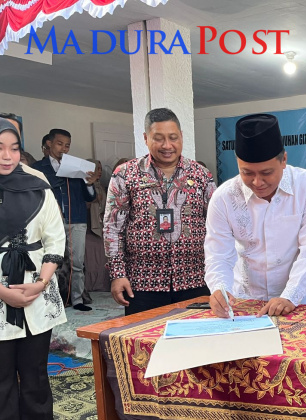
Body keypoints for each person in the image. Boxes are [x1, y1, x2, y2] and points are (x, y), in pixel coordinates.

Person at [205, 114, 306, 317]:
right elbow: (218, 255)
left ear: (284, 160)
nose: (257, 182)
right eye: (247, 173)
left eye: (266, 173)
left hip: (301, 302)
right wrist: (219, 288)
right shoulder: (224, 198)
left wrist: (290, 296)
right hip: (247, 303)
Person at [104, 108, 216, 315]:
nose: (167, 145)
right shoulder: (125, 174)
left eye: (173, 138)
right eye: (158, 138)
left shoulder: (201, 175)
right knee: (143, 334)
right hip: (143, 282)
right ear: (146, 138)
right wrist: (117, 274)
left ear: (181, 136)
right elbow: (113, 228)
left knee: (195, 334)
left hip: (195, 280)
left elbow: (217, 226)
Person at [0, 118, 67, 420]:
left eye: (14, 148)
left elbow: (55, 237)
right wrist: (3, 292)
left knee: (35, 374)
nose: (7, 156)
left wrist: (41, 282)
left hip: (37, 291)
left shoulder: (38, 183)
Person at [32, 128, 96, 311]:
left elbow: (89, 197)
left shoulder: (76, 167)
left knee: (78, 263)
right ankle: (52, 300)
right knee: (50, 262)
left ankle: (77, 299)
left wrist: (89, 184)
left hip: (76, 219)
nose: (64, 149)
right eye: (60, 144)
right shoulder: (37, 168)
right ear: (49, 143)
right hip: (50, 221)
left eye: (67, 145)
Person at [83, 159, 109, 292]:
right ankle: (91, 286)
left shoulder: (101, 186)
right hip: (88, 227)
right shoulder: (82, 184)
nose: (99, 171)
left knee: (102, 258)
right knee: (91, 259)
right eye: (96, 168)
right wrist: (92, 200)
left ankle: (102, 285)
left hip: (101, 226)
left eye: (100, 169)